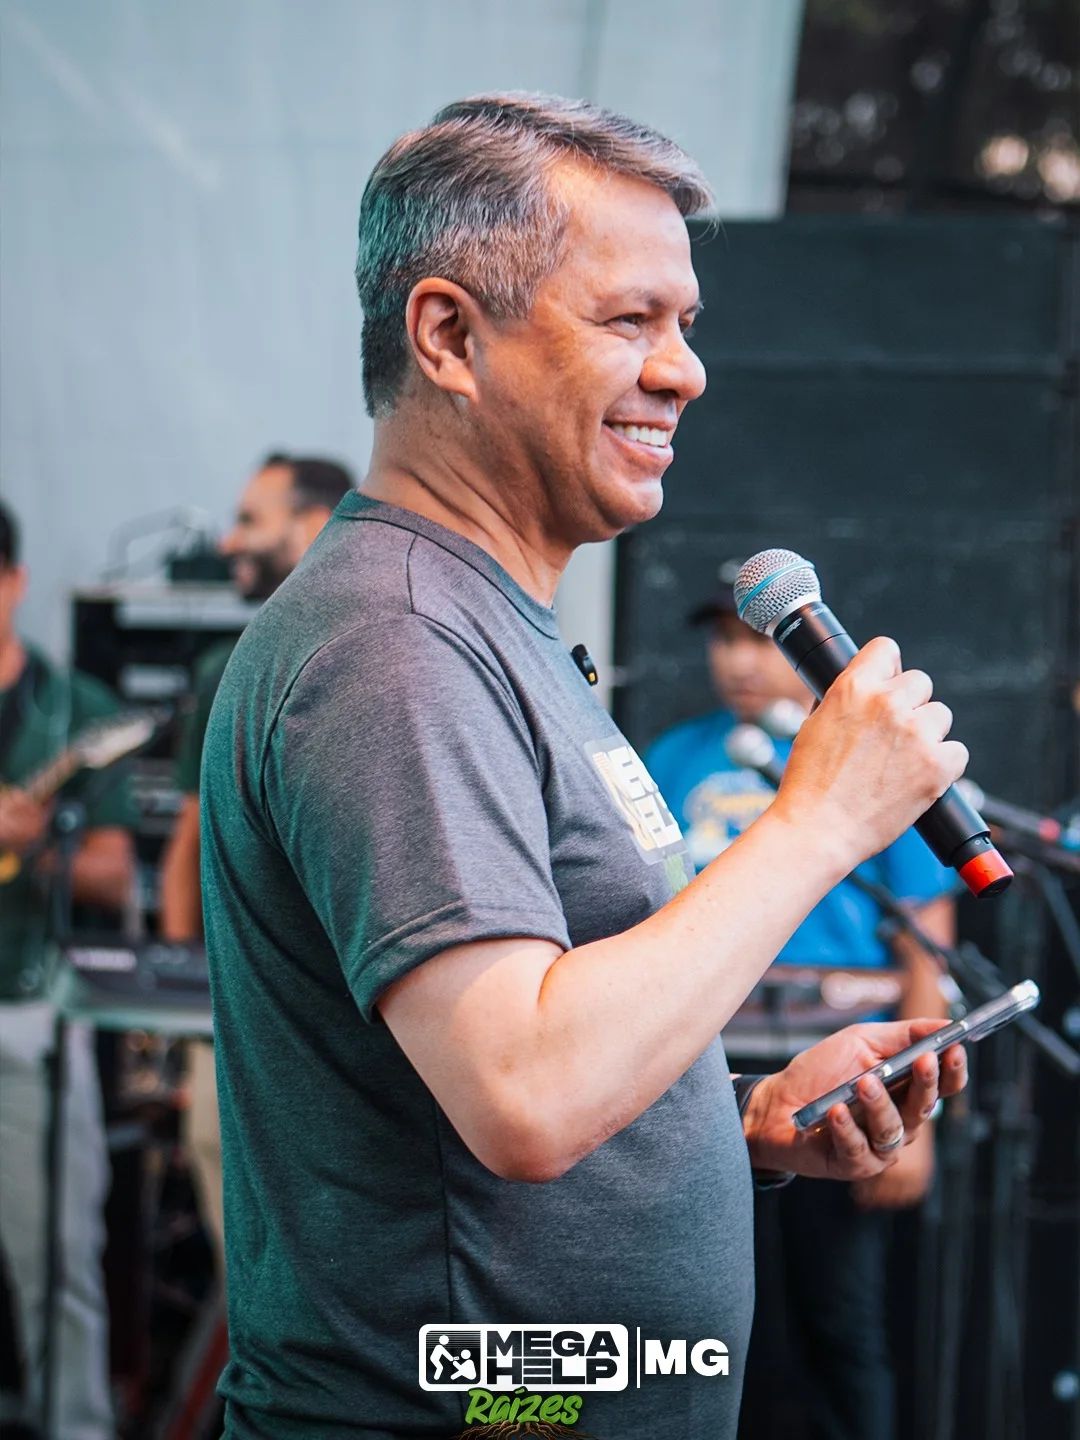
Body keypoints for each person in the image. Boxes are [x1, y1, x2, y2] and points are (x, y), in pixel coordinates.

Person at [200, 94, 970, 1440]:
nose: (686, 372)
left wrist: (733, 1119)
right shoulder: (393, 643)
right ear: (449, 336)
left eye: (686, 323)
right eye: (630, 320)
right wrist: (818, 821)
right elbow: (524, 1091)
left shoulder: (484, 628)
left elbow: (499, 1071)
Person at [645, 566, 955, 1440]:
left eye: (757, 640)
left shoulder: (870, 756)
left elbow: (924, 938)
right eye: (723, 640)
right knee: (716, 1329)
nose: (738, 661)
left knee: (840, 1321)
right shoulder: (672, 756)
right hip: (704, 1074)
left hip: (839, 1076)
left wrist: (921, 1123)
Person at [158, 452, 355, 1266]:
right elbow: (189, 847)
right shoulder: (227, 670)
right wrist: (183, 1015)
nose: (229, 542)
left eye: (250, 521)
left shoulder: (382, 649)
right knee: (241, 1217)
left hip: (355, 1025)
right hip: (247, 1013)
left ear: (311, 525)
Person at [0, 500, 136, 1438]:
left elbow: (116, 872)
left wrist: (40, 836)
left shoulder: (74, 710)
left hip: (27, 1011)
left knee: (55, 1255)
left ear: (14, 581)